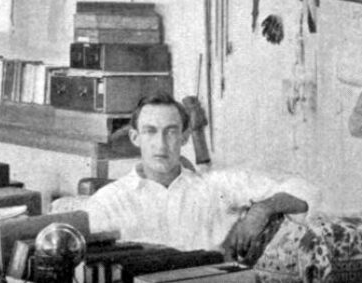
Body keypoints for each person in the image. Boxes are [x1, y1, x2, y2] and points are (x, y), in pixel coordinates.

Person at [85, 92, 317, 260]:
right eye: (150, 131)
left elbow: (305, 189)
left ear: (185, 137)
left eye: (171, 131)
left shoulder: (214, 186)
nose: (161, 144)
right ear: (135, 138)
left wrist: (262, 209)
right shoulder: (110, 200)